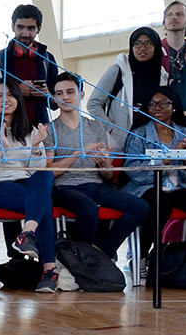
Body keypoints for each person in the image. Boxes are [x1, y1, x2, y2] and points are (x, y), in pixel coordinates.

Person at [47, 72, 149, 259]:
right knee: (89, 208)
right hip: (65, 187)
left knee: (140, 206)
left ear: (81, 95)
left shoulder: (96, 127)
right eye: (59, 93)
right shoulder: (49, 129)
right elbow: (49, 172)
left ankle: (103, 252)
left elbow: (108, 176)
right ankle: (85, 258)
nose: (65, 97)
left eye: (70, 92)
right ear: (53, 98)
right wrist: (79, 153)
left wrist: (105, 166)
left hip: (96, 185)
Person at [0, 80, 59, 293]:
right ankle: (49, 269)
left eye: (11, 95)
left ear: (18, 100)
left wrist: (37, 148)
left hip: (24, 182)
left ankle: (27, 233)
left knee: (45, 175)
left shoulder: (27, 130)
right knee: (44, 204)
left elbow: (33, 170)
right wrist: (2, 149)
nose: (6, 100)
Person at [121, 88, 186, 282]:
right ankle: (142, 256)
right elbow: (134, 172)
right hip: (146, 187)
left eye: (163, 103)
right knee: (160, 205)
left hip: (178, 186)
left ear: (174, 106)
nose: (157, 108)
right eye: (152, 104)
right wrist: (168, 158)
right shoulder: (139, 134)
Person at [88, 27, 171, 151]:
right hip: (118, 145)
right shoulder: (118, 70)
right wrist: (113, 130)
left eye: (148, 43)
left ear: (156, 46)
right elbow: (93, 104)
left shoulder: (162, 76)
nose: (142, 47)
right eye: (137, 43)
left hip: (150, 145)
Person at [0, 4, 59, 124]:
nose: (25, 33)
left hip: (39, 127)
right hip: (8, 127)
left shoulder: (47, 59)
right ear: (12, 27)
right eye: (20, 27)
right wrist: (17, 91)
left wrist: (46, 94)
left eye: (31, 28)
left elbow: (56, 104)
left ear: (39, 28)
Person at [162, 1, 186, 73]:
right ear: (164, 21)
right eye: (169, 14)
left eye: (179, 14)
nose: (173, 17)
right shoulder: (156, 50)